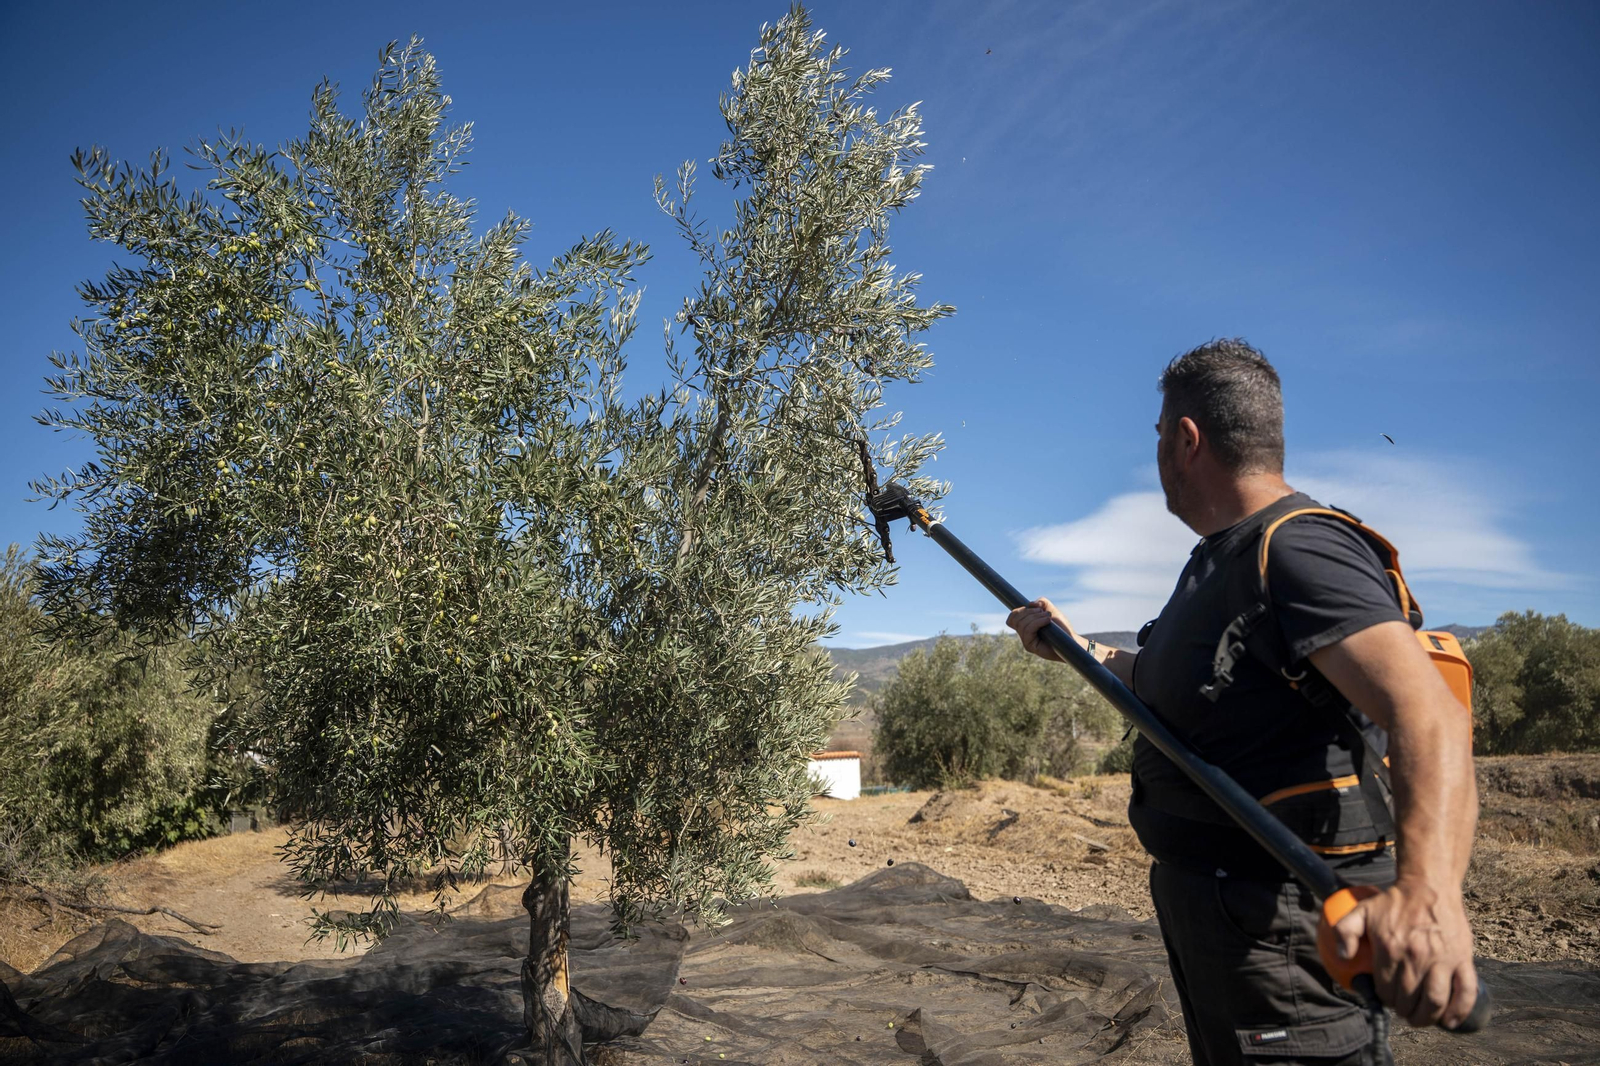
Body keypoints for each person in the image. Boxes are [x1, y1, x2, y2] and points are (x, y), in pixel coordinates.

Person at [1006, 339, 1479, 1065]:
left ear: (1186, 439)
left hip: (1282, 932)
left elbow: (1428, 715)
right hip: (1222, 917)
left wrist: (1430, 901)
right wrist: (1076, 647)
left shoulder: (1299, 550)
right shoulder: (1222, 558)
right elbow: (1162, 681)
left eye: (1158, 436)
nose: (1157, 454)